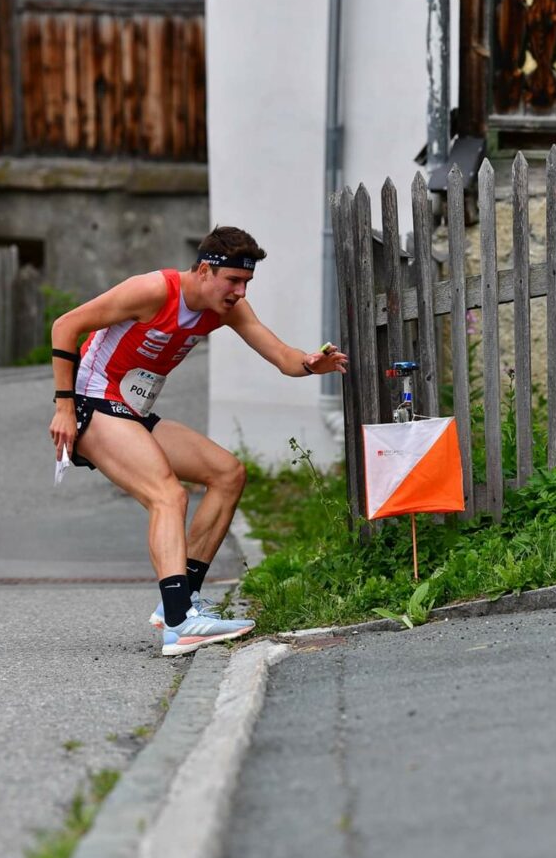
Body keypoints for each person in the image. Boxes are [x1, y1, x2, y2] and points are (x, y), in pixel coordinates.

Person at [49, 226, 347, 657]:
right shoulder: (152, 290)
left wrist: (310, 364)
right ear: (206, 270)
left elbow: (281, 355)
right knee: (167, 495)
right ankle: (180, 624)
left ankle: (182, 601)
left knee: (227, 473)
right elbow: (66, 325)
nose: (240, 293)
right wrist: (63, 407)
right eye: (233, 281)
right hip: (92, 405)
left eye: (246, 283)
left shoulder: (223, 308)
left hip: (129, 413)